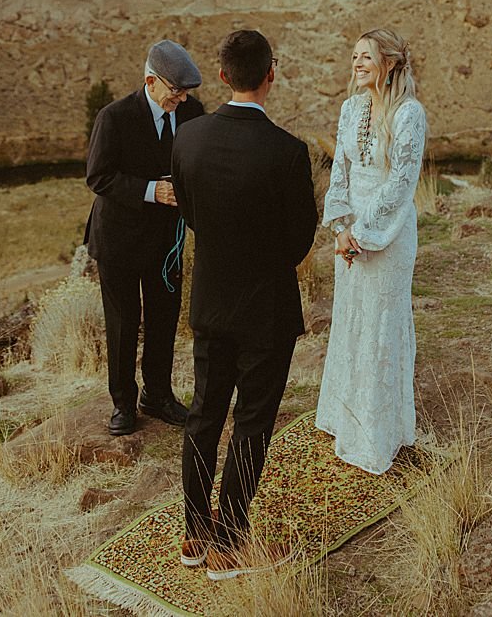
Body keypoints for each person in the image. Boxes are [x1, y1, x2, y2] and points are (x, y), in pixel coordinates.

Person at [171, 30, 317, 579]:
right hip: (266, 311)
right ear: (270, 75)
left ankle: (193, 534)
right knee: (253, 422)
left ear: (224, 75)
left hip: (210, 300)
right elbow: (300, 240)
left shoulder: (187, 140)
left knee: (204, 414)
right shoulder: (288, 151)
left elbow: (188, 212)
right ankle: (229, 544)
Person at [316, 27, 427, 475]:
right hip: (351, 236)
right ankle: (345, 419)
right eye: (354, 57)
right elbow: (338, 171)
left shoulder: (409, 114)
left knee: (381, 326)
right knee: (351, 322)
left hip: (388, 235)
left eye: (366, 57)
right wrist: (341, 227)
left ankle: (378, 434)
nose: (357, 64)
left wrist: (363, 232)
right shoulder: (350, 108)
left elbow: (401, 183)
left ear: (390, 63)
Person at [84, 40, 204, 436]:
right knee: (122, 325)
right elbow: (98, 177)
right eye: (175, 90)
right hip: (118, 241)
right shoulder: (113, 117)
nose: (182, 98)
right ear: (151, 81)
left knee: (163, 320)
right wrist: (153, 190)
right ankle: (122, 404)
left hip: (165, 243)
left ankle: (157, 395)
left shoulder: (191, 113)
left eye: (186, 91)